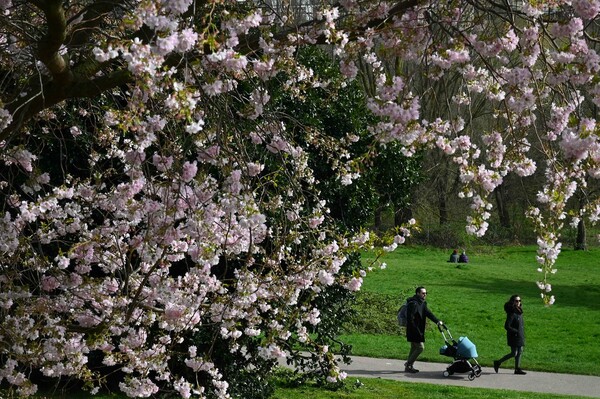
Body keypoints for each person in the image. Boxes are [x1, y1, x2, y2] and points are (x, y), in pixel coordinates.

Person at [404, 286, 444, 373]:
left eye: (426, 293)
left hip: (418, 329)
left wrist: (437, 321)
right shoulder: (413, 304)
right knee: (420, 347)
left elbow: (428, 313)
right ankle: (408, 364)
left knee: (414, 347)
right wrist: (416, 331)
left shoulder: (422, 303)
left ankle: (409, 367)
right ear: (417, 293)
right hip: (413, 330)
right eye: (423, 293)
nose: (425, 295)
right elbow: (410, 319)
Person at [494, 294, 526, 375]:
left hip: (520, 335)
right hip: (514, 336)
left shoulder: (519, 311)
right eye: (516, 301)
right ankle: (498, 362)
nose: (518, 302)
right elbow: (507, 326)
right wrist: (515, 331)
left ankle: (517, 369)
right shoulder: (511, 313)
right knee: (514, 353)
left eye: (519, 300)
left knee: (520, 351)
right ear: (513, 302)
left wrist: (520, 332)